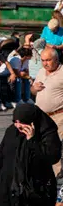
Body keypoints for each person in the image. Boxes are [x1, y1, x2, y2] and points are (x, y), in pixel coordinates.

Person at [31, 46, 63, 175]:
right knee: (42, 143)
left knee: (56, 144)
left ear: (56, 59)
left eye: (48, 60)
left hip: (59, 115)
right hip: (41, 116)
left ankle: (57, 173)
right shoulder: (40, 72)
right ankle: (49, 171)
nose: (45, 63)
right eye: (43, 60)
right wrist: (34, 88)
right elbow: (32, 92)